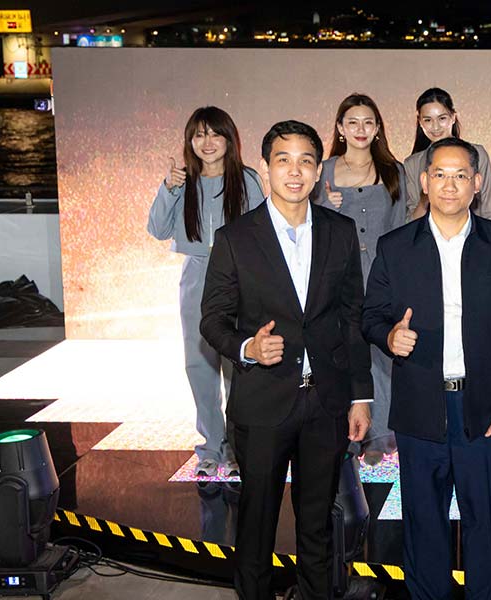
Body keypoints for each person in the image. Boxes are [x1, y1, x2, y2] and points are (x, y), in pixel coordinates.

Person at [199, 120, 373, 599]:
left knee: (318, 526)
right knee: (256, 528)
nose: (294, 172)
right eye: (283, 160)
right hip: (262, 404)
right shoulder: (236, 238)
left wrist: (360, 395)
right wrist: (248, 349)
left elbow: (352, 318)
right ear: (265, 168)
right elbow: (212, 320)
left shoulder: (340, 232)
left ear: (318, 171)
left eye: (305, 161)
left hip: (326, 404)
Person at [362, 137, 491, 600]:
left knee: (486, 526)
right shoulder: (395, 247)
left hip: (487, 412)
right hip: (421, 408)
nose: (449, 185)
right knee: (423, 526)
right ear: (424, 181)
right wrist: (389, 337)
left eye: (460, 175)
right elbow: (371, 315)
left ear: (476, 183)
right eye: (440, 174)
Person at [147, 106, 264, 478]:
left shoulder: (246, 179)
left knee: (237, 365)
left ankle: (237, 448)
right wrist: (168, 188)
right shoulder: (181, 182)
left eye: (215, 134)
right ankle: (210, 447)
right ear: (190, 141)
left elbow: (263, 230)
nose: (207, 142)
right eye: (199, 135)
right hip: (197, 274)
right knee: (199, 365)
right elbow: (157, 229)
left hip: (238, 276)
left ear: (229, 139)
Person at [315, 93, 406, 465]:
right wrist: (324, 206)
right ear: (340, 128)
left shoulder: (393, 170)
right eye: (352, 122)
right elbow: (307, 224)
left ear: (378, 127)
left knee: (382, 352)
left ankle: (381, 434)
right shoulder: (323, 170)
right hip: (338, 275)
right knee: (344, 350)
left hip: (383, 274)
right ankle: (349, 434)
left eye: (368, 122)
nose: (360, 129)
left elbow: (399, 226)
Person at [402, 87, 491, 221]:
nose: (435, 127)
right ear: (420, 122)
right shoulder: (412, 164)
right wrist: (425, 198)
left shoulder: (478, 153)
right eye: (428, 120)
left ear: (453, 117)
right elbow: (411, 220)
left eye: (442, 118)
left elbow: (488, 209)